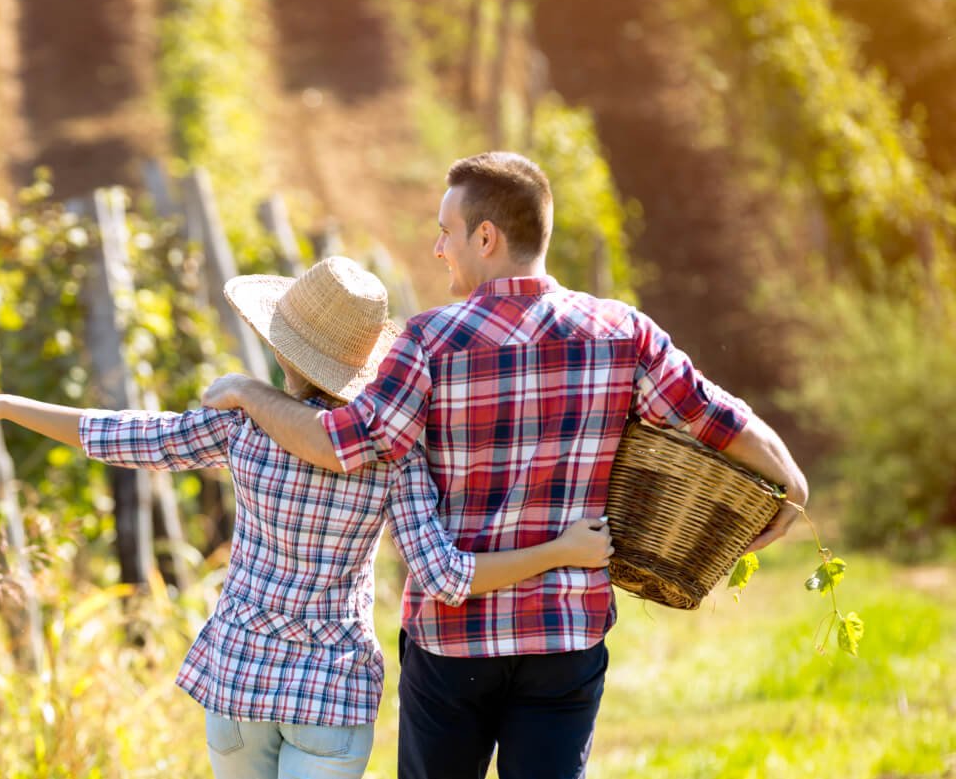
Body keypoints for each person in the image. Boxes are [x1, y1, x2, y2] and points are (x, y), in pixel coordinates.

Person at [200, 152, 810, 779]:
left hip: (453, 642)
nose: (439, 248)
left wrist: (251, 394)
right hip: (565, 635)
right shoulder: (621, 331)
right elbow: (711, 413)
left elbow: (341, 442)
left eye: (446, 231)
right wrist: (791, 482)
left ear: (485, 237)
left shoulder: (429, 341)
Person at [0, 256, 614, 779]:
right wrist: (560, 549)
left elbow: (117, 434)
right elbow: (442, 574)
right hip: (330, 689)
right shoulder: (391, 453)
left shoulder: (240, 429)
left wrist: (6, 403)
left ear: (281, 347)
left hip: (239, 676)